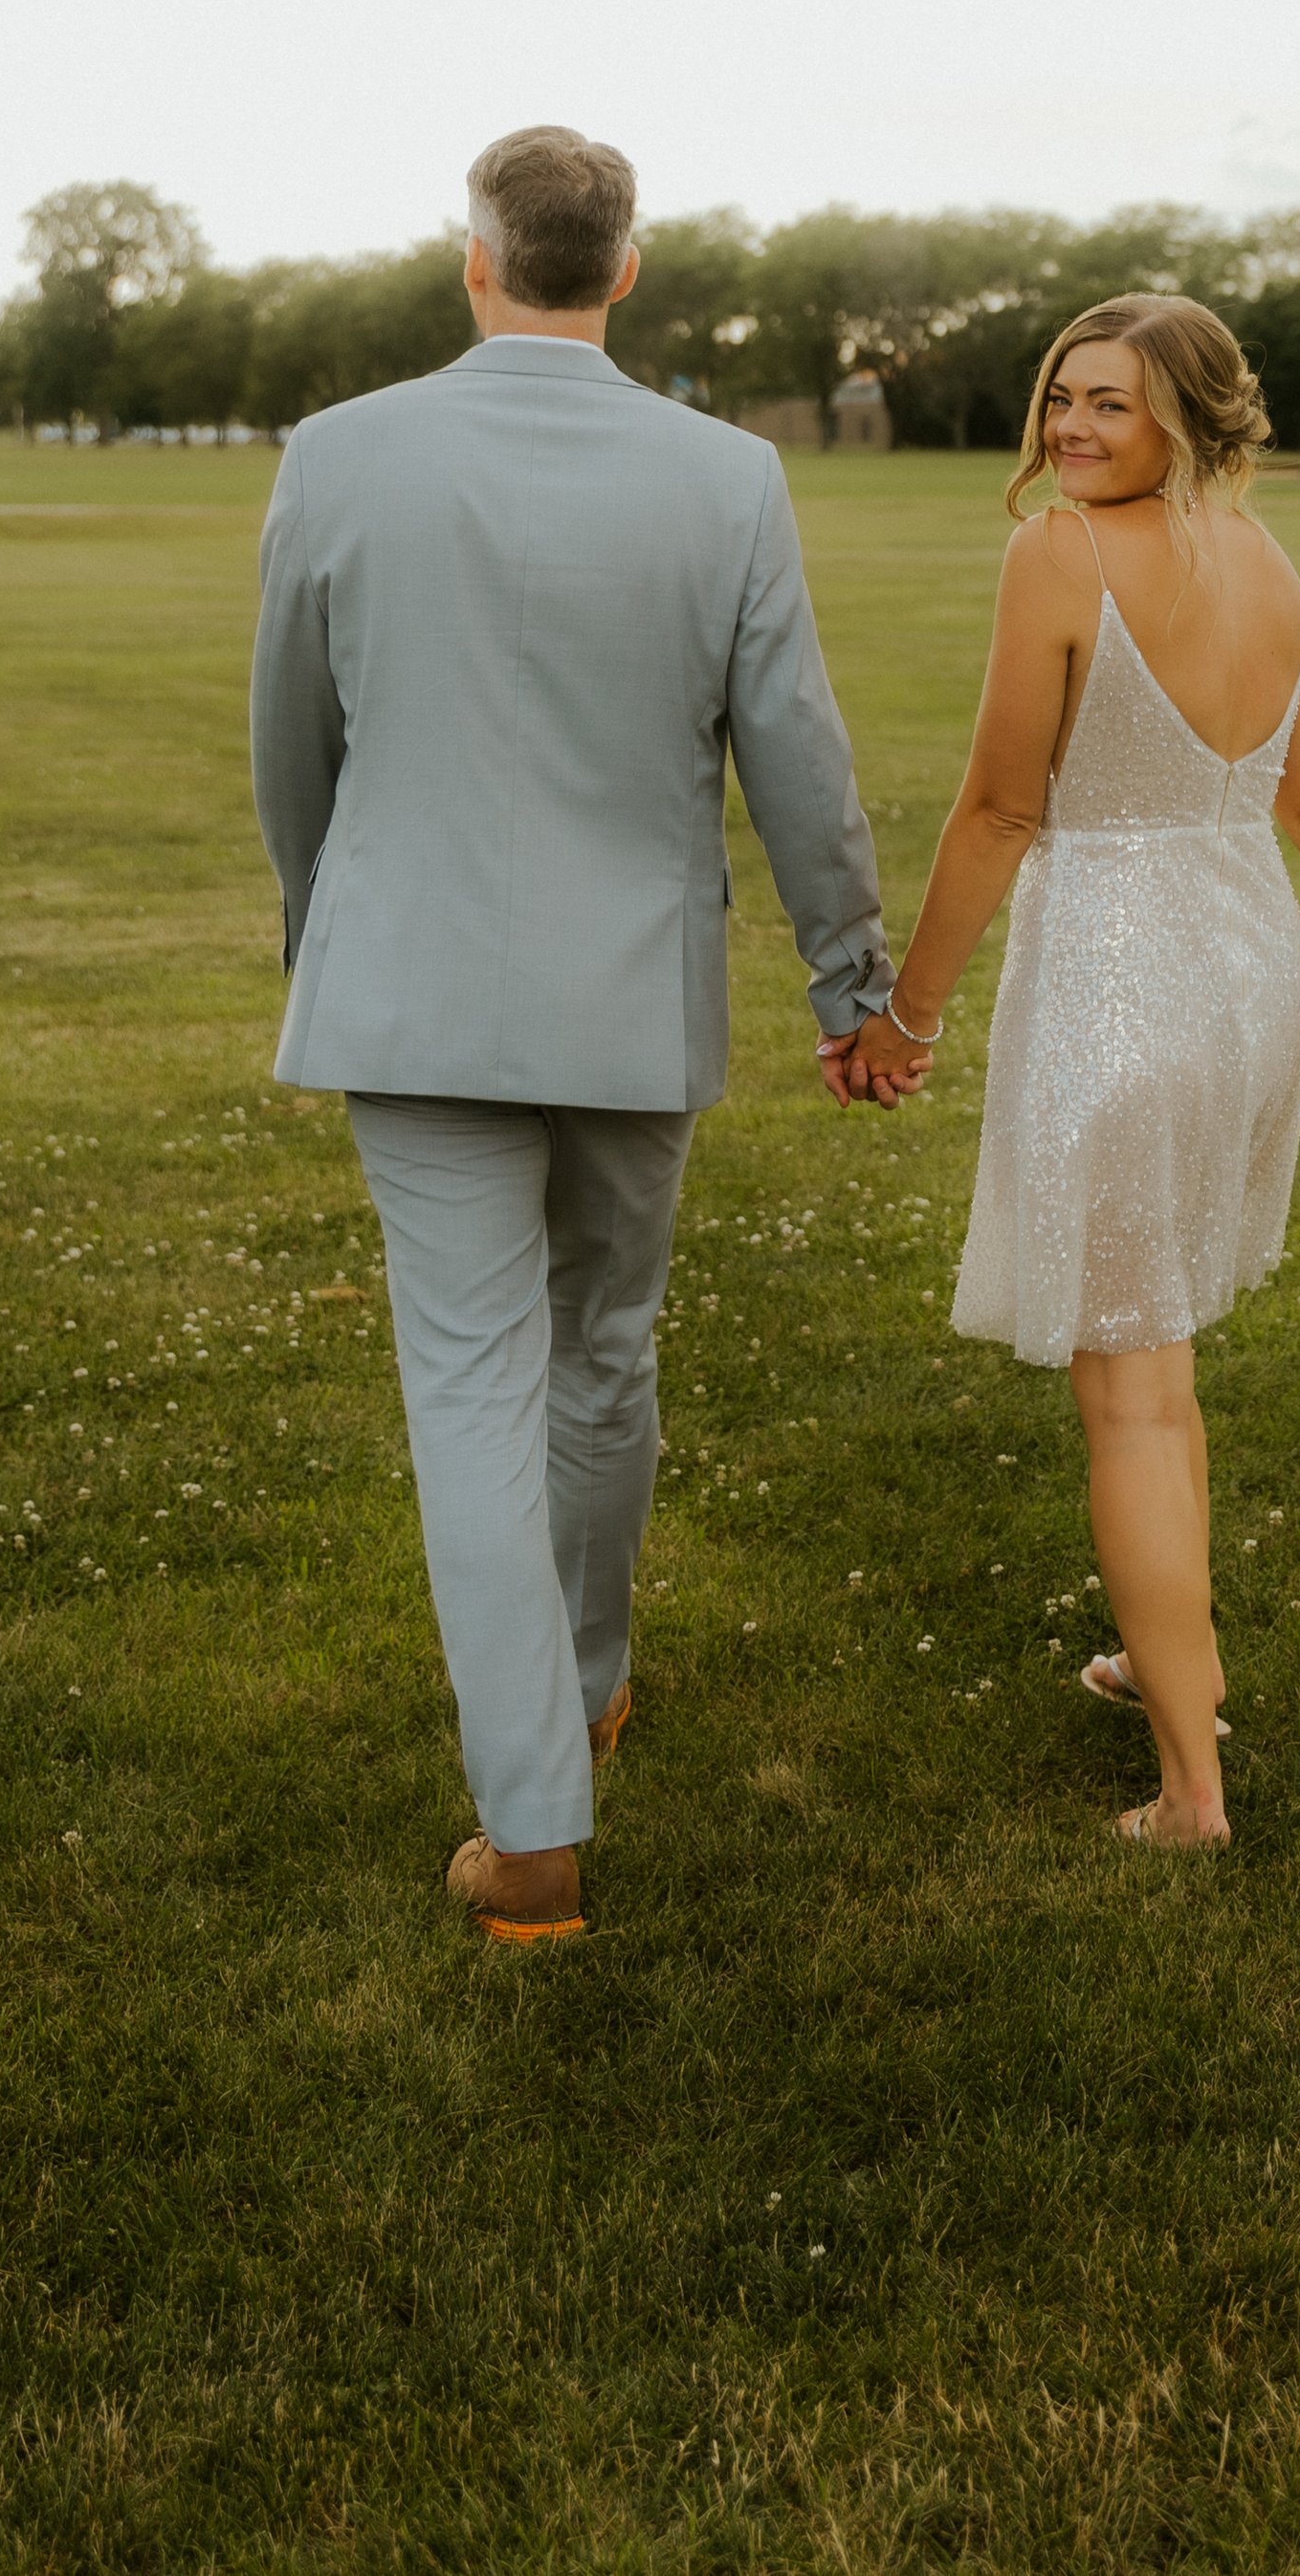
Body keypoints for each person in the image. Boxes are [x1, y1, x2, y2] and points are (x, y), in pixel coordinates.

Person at [251, 124, 928, 1942]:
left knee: (474, 1385)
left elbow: (289, 747)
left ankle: (537, 1822)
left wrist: (328, 933)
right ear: (626, 270)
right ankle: (587, 1689)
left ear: (475, 260)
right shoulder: (726, 477)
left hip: (409, 992)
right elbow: (800, 758)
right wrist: (852, 981)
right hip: (634, 994)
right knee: (602, 1350)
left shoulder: (339, 454)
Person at [861, 296, 1300, 1848]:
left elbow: (993, 811)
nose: (1070, 430)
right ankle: (1181, 1665)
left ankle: (1190, 1789)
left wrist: (906, 1018)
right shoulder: (1271, 564)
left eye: (1109, 405)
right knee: (1162, 1373)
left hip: (1117, 995)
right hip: (1245, 996)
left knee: (1136, 1402)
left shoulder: (1060, 555)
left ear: (1187, 416)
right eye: (1060, 400)